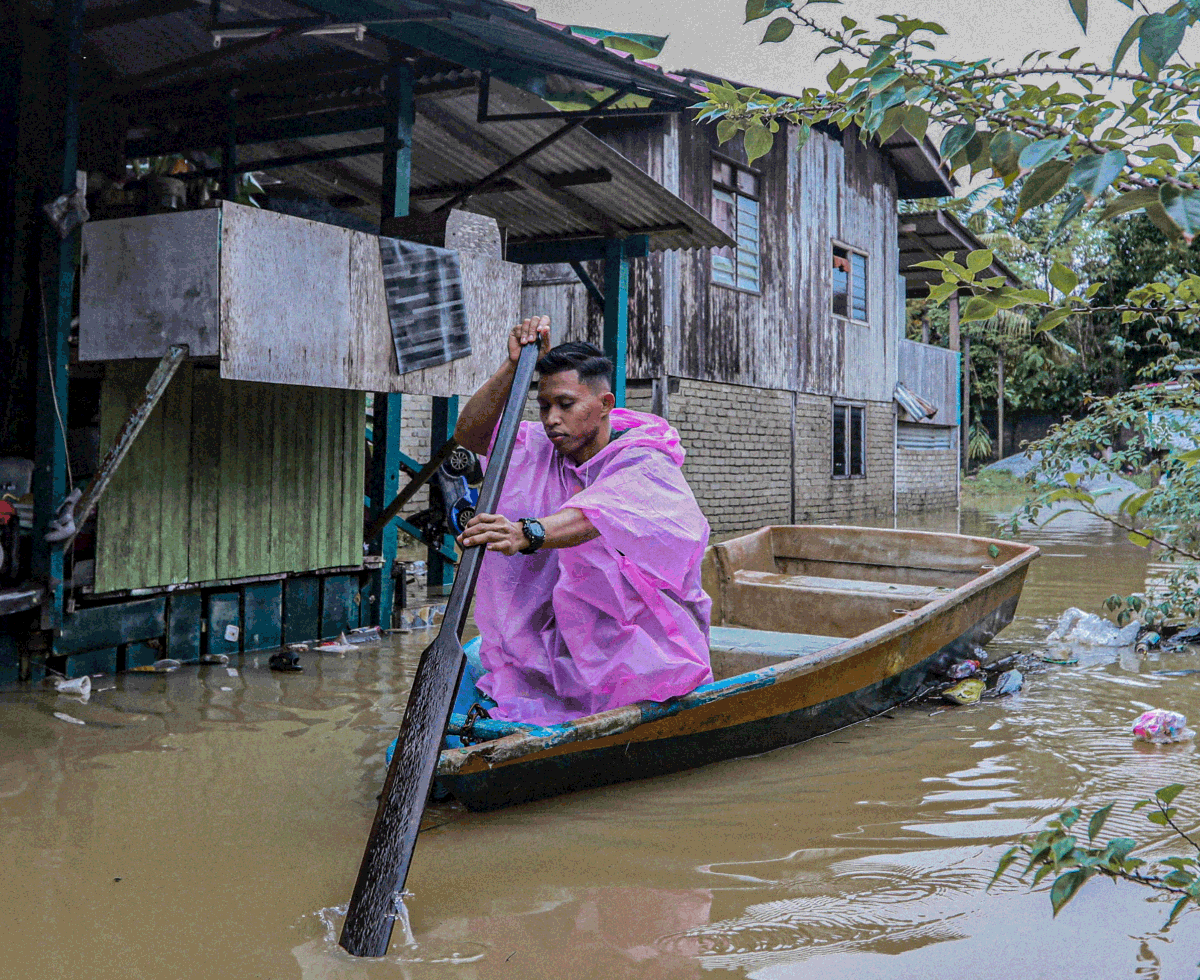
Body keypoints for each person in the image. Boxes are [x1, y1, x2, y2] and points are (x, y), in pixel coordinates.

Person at [452, 315, 713, 726]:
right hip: (551, 630)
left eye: (566, 405)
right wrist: (513, 366)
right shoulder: (539, 447)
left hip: (633, 641)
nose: (552, 418)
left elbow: (597, 515)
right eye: (544, 406)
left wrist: (527, 532)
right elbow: (471, 435)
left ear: (605, 404)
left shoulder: (644, 459)